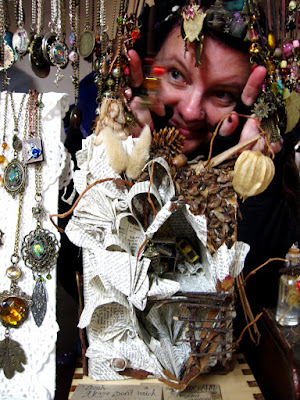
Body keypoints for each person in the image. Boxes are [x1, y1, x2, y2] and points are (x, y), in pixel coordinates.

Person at [63, 0, 300, 312]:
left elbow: (259, 301)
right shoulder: (99, 121)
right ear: (149, 67)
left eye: (222, 94)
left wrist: (256, 181)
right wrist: (122, 170)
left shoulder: (265, 153)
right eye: (175, 74)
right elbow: (77, 278)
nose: (190, 110)